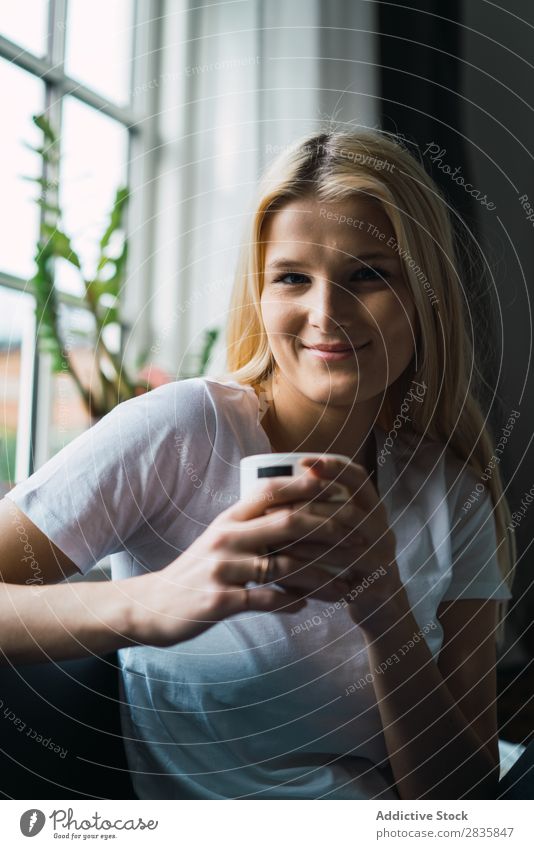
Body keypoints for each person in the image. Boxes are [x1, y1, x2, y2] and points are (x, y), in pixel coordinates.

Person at [0, 129, 515, 801]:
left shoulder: (456, 496)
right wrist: (151, 600)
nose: (326, 313)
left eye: (369, 274)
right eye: (293, 277)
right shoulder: (185, 430)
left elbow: (463, 802)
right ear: (261, 292)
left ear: (424, 297)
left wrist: (386, 608)